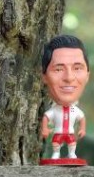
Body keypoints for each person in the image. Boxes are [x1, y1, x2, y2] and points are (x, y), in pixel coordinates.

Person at [39, 35, 90, 165]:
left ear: (87, 75)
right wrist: (45, 129)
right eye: (58, 69)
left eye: (77, 68)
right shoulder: (54, 111)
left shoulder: (75, 111)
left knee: (71, 144)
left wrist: (82, 129)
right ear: (44, 76)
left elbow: (82, 119)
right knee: (57, 144)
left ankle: (71, 154)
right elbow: (46, 118)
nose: (69, 78)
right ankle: (56, 155)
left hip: (70, 134)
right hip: (58, 133)